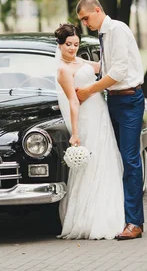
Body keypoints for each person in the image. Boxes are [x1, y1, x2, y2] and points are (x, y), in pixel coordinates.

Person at [76, 0, 145, 240]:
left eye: (86, 17)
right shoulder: (103, 35)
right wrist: (79, 65)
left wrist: (88, 90)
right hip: (114, 101)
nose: (85, 23)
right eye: (81, 20)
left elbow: (118, 72)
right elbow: (106, 67)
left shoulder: (117, 30)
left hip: (129, 101)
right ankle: (122, 216)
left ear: (97, 10)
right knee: (115, 159)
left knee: (130, 159)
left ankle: (135, 223)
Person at [54, 23, 125, 240]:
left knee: (106, 163)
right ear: (60, 44)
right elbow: (73, 102)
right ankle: (89, 219)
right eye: (68, 44)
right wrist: (75, 133)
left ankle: (109, 214)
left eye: (76, 44)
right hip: (86, 120)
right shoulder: (63, 70)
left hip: (100, 115)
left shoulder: (79, 61)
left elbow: (102, 67)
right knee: (91, 166)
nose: (73, 48)